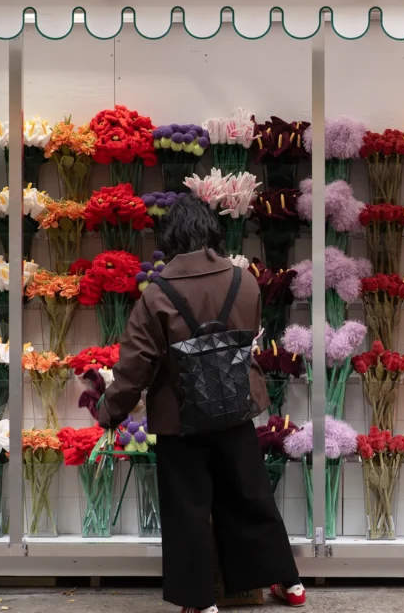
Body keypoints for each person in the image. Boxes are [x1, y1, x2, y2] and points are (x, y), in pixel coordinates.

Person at [98, 194, 307, 612]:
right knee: (250, 496)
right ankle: (290, 583)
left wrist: (110, 411)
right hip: (234, 407)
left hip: (180, 419)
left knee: (188, 508)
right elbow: (247, 337)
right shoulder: (243, 281)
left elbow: (135, 366)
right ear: (212, 233)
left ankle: (200, 602)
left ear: (170, 240)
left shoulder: (155, 297)